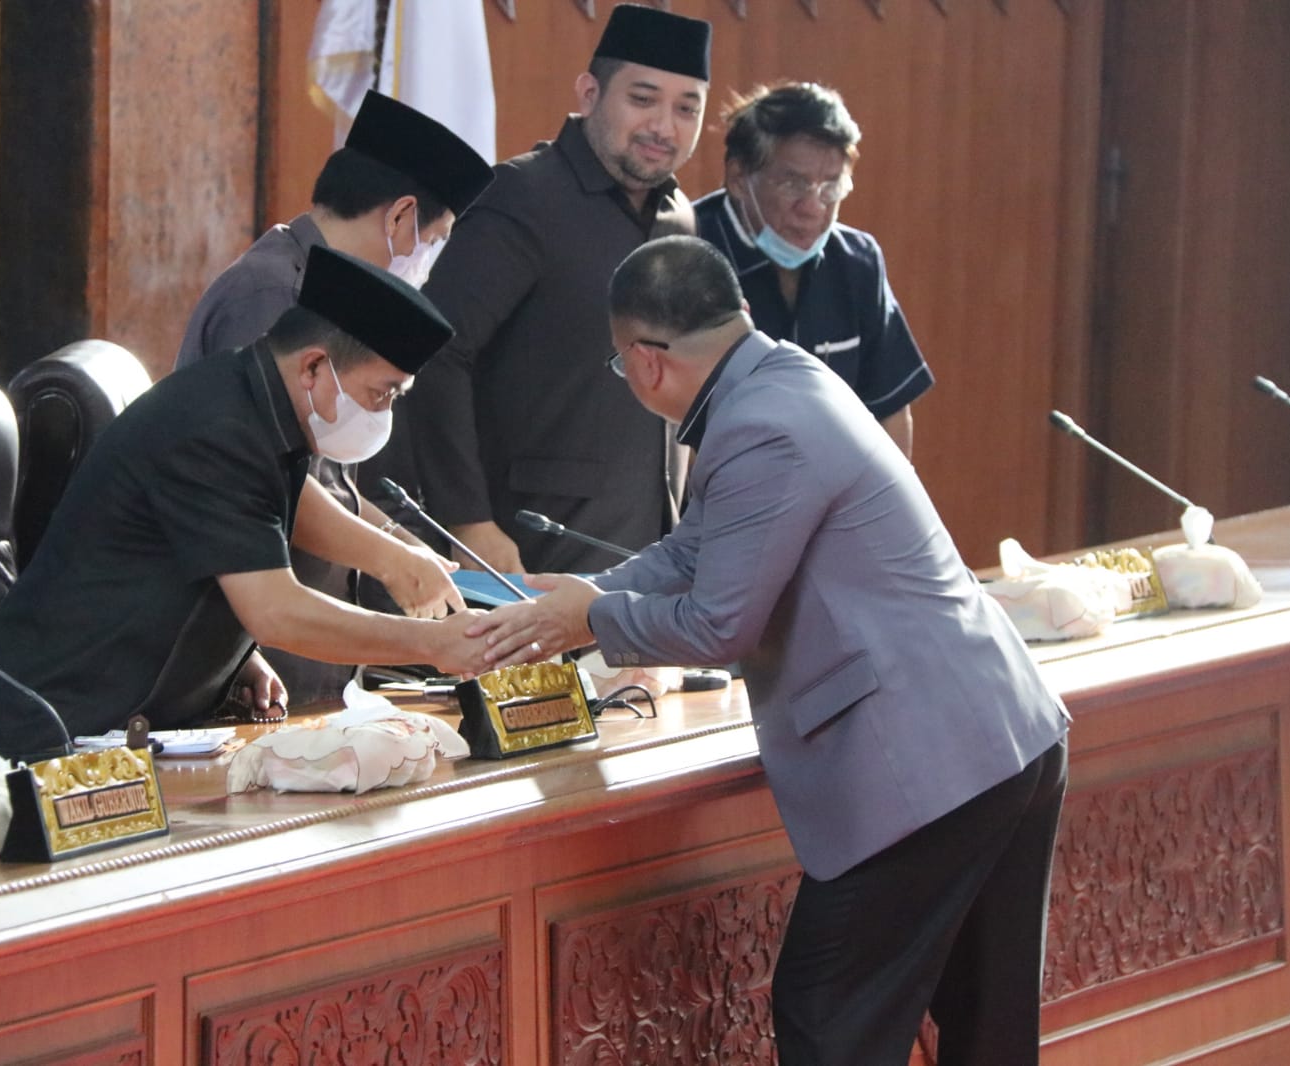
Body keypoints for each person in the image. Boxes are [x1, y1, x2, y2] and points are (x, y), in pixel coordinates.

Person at [470, 236, 1068, 1065]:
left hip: (927, 759)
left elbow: (719, 626)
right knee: (984, 1025)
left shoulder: (759, 429)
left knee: (829, 1015)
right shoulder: (780, 378)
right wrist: (570, 602)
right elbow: (694, 552)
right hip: (994, 734)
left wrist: (592, 622)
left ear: (645, 362)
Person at [0, 247, 490, 758]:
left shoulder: (256, 407)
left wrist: (230, 658)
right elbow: (277, 612)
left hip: (132, 728)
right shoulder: (216, 427)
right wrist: (431, 643)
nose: (382, 412)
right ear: (314, 368)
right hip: (43, 737)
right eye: (382, 393)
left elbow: (277, 513)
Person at [175, 90, 495, 706]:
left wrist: (405, 545)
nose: (429, 265)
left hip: (311, 650)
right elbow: (271, 486)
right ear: (400, 217)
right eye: (437, 239)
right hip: (253, 652)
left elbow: (326, 478)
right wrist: (391, 561)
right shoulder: (270, 298)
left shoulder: (320, 295)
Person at [404, 3, 712, 575]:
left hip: (643, 555)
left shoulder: (681, 218)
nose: (664, 127)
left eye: (686, 108)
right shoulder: (523, 195)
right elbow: (436, 350)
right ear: (590, 92)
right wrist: (468, 523)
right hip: (524, 549)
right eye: (642, 100)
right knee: (531, 673)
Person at [696, 82, 932, 460]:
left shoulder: (858, 262)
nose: (813, 208)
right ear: (739, 179)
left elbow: (889, 411)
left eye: (831, 187)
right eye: (793, 183)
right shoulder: (689, 251)